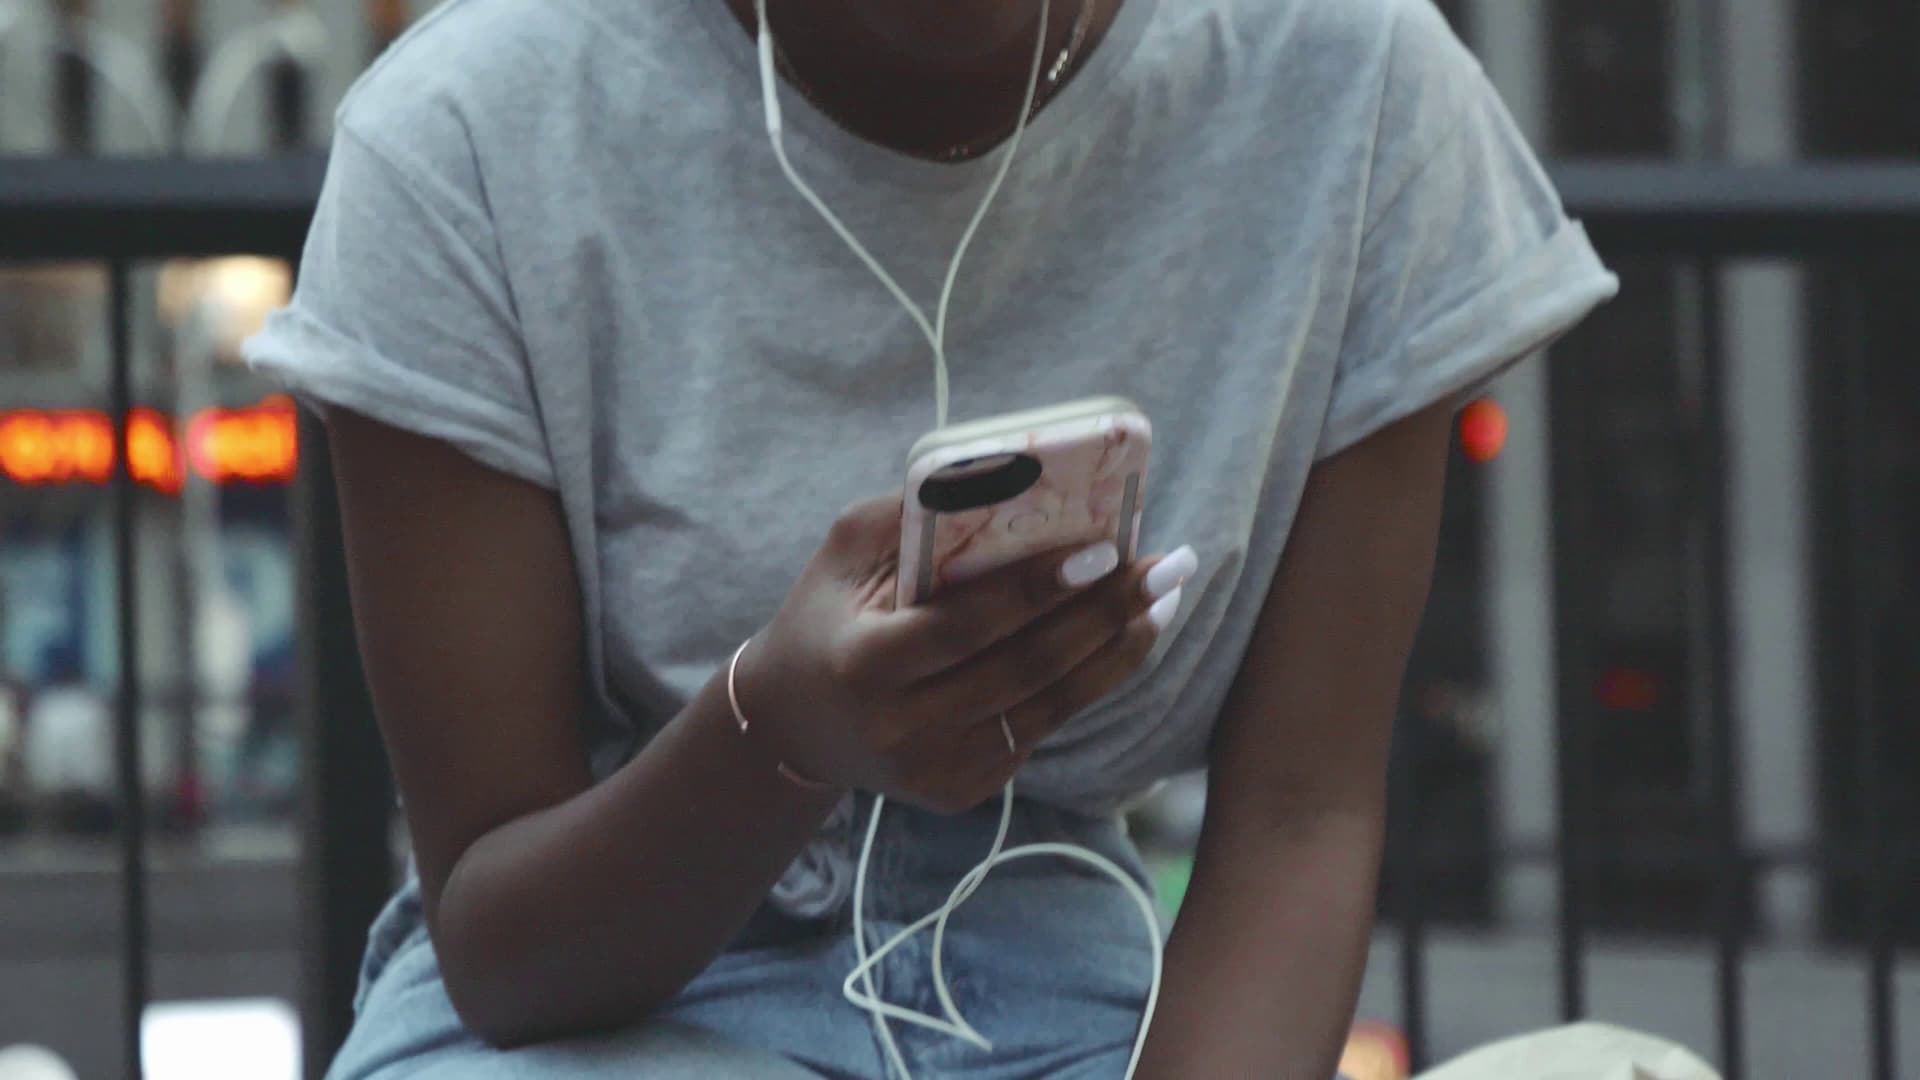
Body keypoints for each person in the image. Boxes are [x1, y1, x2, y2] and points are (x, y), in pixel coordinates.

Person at [245, 0, 1618, 1076]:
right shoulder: (470, 136)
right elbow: (501, 954)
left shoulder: (1347, 87)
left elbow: (1300, 815)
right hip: (599, 1016)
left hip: (1070, 992)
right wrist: (778, 737)